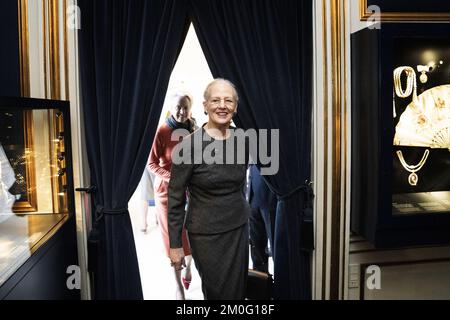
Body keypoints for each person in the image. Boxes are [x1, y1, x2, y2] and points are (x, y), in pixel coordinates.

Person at [168, 79, 250, 300]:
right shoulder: (187, 147)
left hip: (239, 228)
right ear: (205, 106)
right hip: (206, 235)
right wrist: (175, 245)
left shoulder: (243, 140)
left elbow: (240, 184)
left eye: (228, 100)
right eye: (215, 100)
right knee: (218, 293)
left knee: (238, 292)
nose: (222, 105)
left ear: (235, 107)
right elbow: (175, 199)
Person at [148, 91, 197, 300]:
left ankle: (188, 268)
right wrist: (172, 178)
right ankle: (177, 286)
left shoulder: (195, 131)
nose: (182, 111)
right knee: (173, 240)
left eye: (185, 107)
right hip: (166, 194)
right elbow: (151, 164)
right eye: (178, 106)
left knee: (193, 234)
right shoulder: (162, 130)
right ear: (171, 107)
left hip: (192, 192)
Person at [247, 164, 276, 273]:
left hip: (270, 198)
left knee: (276, 248)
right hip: (252, 196)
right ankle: (262, 285)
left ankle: (281, 286)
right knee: (256, 249)